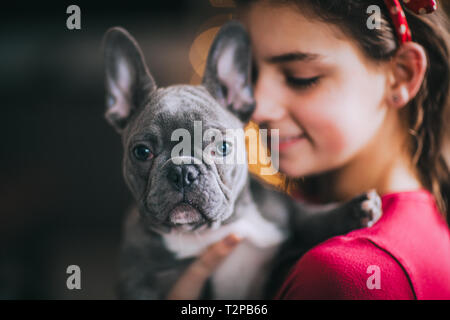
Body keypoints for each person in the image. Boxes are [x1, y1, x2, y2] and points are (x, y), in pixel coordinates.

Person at [168, 0, 450, 299]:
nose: (257, 108)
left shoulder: (345, 274)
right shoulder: (429, 225)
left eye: (301, 78)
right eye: (248, 75)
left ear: (402, 74)